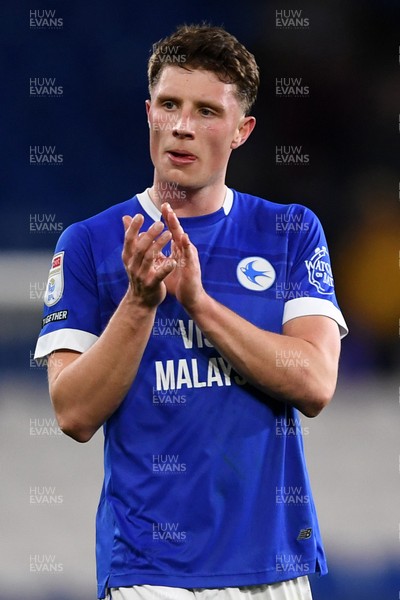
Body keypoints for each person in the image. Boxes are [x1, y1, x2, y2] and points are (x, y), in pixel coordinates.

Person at [34, 23, 348, 600]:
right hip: (150, 574)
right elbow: (73, 413)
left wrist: (200, 304)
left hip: (273, 569)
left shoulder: (290, 231)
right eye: (169, 105)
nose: (182, 125)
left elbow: (314, 382)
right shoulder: (88, 243)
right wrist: (140, 301)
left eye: (207, 110)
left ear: (241, 131)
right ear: (148, 113)